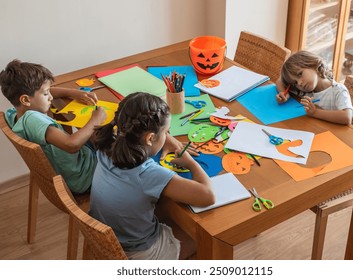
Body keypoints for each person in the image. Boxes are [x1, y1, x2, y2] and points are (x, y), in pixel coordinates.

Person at [89, 92, 215, 260]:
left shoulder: (106, 145)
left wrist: (163, 136)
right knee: (208, 239)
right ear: (150, 138)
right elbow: (207, 196)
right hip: (141, 253)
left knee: (166, 210)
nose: (168, 136)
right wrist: (191, 163)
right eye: (166, 132)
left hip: (111, 238)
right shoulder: (147, 174)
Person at [0, 59, 107, 193]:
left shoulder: (14, 114)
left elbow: (41, 92)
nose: (50, 97)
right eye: (46, 94)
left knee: (101, 136)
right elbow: (71, 145)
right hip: (85, 176)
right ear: (26, 100)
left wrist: (73, 93)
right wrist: (96, 119)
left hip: (70, 171)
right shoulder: (32, 120)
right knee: (124, 144)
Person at [275, 50, 353, 125]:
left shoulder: (338, 90)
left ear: (314, 64)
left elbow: (346, 117)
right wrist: (283, 93)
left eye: (300, 74)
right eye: (295, 83)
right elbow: (280, 81)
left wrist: (315, 112)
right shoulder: (305, 90)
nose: (299, 83)